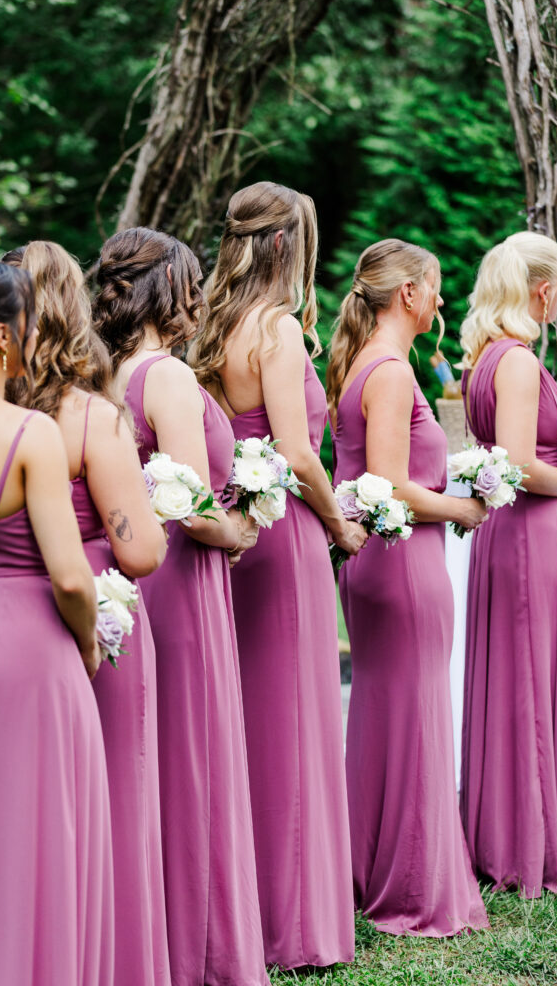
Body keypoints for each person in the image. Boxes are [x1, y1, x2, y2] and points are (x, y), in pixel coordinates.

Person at [189, 181, 366, 969]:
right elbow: (296, 455)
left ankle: (244, 910)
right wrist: (339, 524)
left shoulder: (209, 321)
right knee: (294, 722)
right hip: (287, 533)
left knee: (252, 721)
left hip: (237, 533)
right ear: (288, 245)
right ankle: (295, 928)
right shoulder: (279, 328)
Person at [94, 226, 269, 986]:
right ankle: (201, 951)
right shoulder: (163, 375)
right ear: (167, 289)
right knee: (192, 759)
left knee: (155, 760)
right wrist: (238, 528)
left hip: (138, 583)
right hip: (183, 580)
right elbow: (192, 503)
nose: (199, 299)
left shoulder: (104, 374)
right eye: (191, 283)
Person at [4, 240, 171, 986]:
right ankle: (120, 963)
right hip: (90, 615)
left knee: (22, 814)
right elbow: (138, 555)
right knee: (118, 800)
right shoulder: (88, 418)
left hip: (6, 622)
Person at [326, 238, 489, 936]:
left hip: (383, 565)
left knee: (385, 717)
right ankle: (413, 889)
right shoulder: (390, 372)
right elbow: (389, 484)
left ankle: (371, 869)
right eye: (436, 288)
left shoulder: (371, 364)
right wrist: (461, 508)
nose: (443, 300)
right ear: (409, 295)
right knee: (414, 719)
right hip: (400, 563)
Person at [459, 230, 557, 897]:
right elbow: (522, 467)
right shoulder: (519, 362)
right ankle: (535, 847)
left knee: (519, 676)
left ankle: (508, 832)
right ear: (543, 288)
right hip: (530, 535)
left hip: (505, 534)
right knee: (532, 680)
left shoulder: (482, 360)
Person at [0, 252, 114, 984]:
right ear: (5, 337)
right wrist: (90, 639)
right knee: (36, 835)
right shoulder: (29, 433)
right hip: (29, 654)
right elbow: (69, 575)